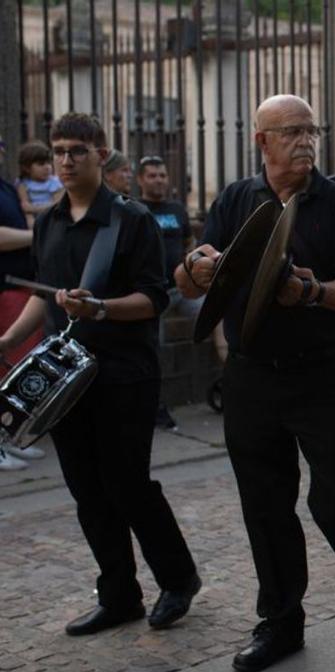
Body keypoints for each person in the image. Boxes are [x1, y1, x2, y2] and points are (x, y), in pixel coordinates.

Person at [175, 95, 335, 672]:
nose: (306, 140)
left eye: (311, 130)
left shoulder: (333, 202)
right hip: (251, 375)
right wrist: (197, 264)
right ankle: (281, 623)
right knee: (265, 505)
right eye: (292, 131)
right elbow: (188, 284)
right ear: (262, 141)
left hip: (318, 372)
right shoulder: (236, 199)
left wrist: (311, 292)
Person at [0, 112, 201, 635]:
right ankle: (119, 595)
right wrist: (6, 341)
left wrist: (103, 309)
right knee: (86, 490)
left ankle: (178, 580)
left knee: (128, 485)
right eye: (59, 150)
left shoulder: (131, 221)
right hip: (65, 381)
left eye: (77, 151)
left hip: (123, 374)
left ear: (102, 153)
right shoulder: (47, 222)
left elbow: (155, 299)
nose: (65, 160)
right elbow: (45, 298)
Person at [0, 134, 46, 470]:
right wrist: (36, 237)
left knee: (13, 367)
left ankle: (8, 436)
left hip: (17, 285)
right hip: (2, 287)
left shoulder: (7, 186)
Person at [136, 155, 192, 431]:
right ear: (140, 180)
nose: (158, 180)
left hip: (181, 289)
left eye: (162, 175)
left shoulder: (178, 209)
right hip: (150, 296)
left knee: (220, 312)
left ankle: (230, 384)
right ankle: (156, 409)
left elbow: (188, 245)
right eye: (152, 175)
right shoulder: (134, 210)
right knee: (153, 350)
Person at [16, 140, 64, 225]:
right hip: (33, 221)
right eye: (41, 164)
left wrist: (33, 208)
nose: (47, 167)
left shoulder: (54, 183)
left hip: (52, 219)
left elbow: (58, 205)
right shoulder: (23, 184)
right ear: (27, 168)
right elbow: (25, 207)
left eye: (49, 163)